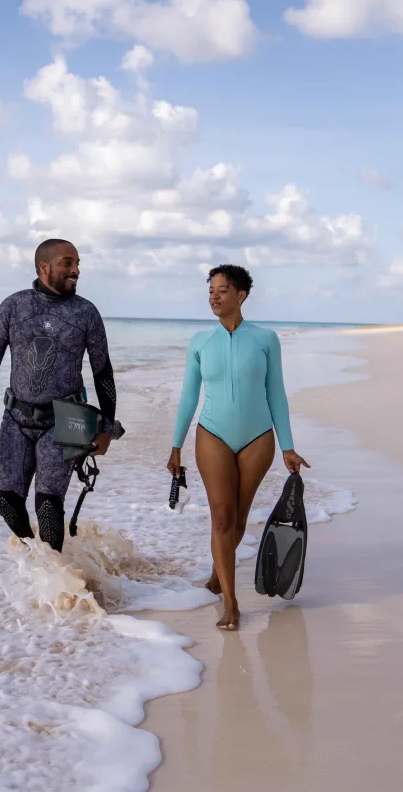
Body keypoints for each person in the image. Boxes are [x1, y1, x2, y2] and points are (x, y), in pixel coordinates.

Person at [167, 264, 310, 630]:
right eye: (211, 290)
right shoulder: (201, 342)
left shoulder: (264, 340)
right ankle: (230, 601)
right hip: (212, 433)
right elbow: (188, 396)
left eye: (222, 290)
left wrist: (288, 447)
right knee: (222, 516)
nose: (214, 296)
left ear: (241, 295)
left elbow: (276, 392)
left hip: (257, 436)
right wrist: (176, 445)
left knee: (240, 517)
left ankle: (219, 574)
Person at [0, 239, 117, 552]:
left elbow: (103, 372)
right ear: (44, 267)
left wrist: (107, 427)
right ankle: (36, 564)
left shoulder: (86, 313)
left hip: (64, 420)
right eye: (68, 263)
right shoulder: (13, 307)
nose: (76, 270)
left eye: (77, 263)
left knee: (48, 507)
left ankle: (58, 580)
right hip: (16, 417)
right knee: (7, 502)